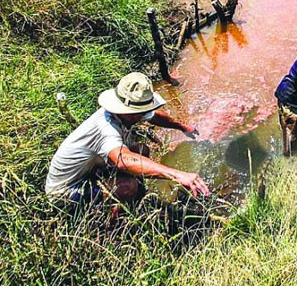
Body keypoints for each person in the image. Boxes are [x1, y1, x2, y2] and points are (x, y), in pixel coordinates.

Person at [45, 72, 210, 204]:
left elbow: (154, 116)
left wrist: (182, 126)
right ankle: (116, 217)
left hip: (89, 171)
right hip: (66, 192)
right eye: (140, 113)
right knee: (128, 187)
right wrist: (176, 174)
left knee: (142, 150)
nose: (144, 116)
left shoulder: (126, 113)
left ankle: (135, 197)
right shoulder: (106, 128)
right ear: (127, 111)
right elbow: (123, 159)